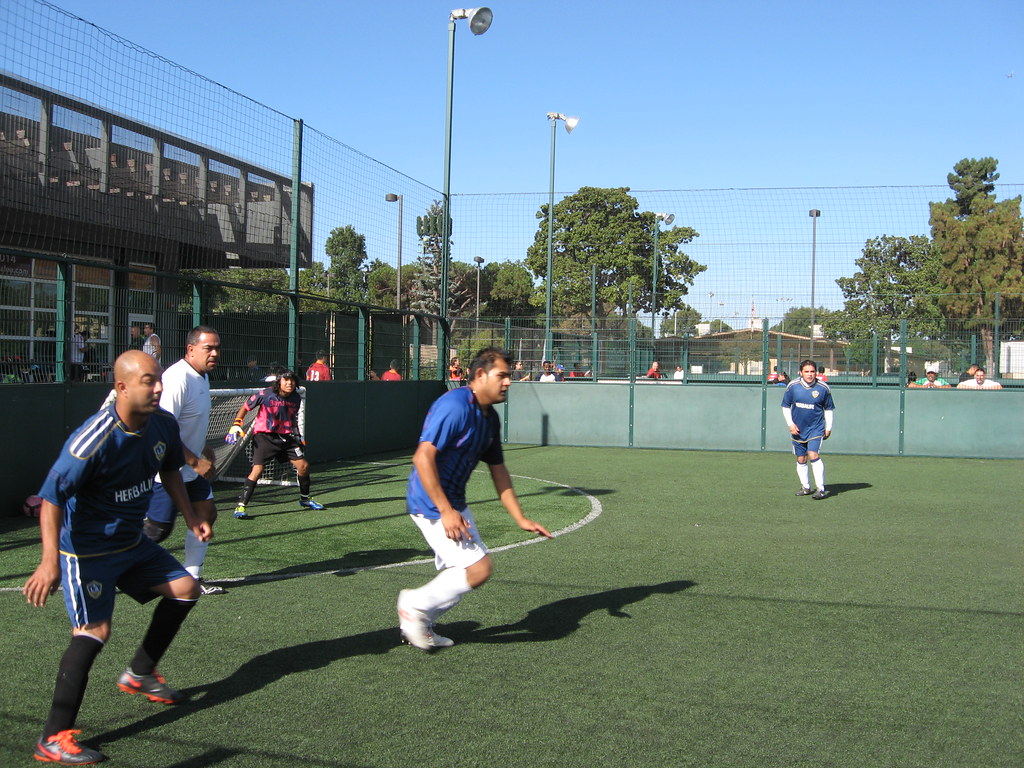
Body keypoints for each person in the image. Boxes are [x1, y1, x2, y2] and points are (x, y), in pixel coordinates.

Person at [23, 350, 212, 765]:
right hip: (86, 551)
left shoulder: (161, 423)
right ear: (122, 388)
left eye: (158, 378)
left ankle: (140, 674)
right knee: (94, 631)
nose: (159, 387)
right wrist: (49, 560)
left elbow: (170, 470)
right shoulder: (94, 438)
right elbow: (51, 499)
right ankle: (53, 737)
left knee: (186, 589)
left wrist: (191, 515)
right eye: (148, 380)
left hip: (131, 542)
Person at [396, 347, 552, 650]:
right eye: (502, 375)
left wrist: (520, 518)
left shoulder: (489, 419)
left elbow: (498, 470)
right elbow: (422, 457)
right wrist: (445, 511)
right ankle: (413, 606)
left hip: (453, 503)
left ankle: (418, 619)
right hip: (430, 503)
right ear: (480, 375)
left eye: (510, 376)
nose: (509, 382)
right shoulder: (455, 406)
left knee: (469, 571)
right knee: (478, 569)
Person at [143, 326, 225, 596]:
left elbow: (190, 422)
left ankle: (193, 577)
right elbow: (161, 430)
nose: (214, 353)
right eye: (208, 348)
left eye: (216, 348)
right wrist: (193, 460)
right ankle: (109, 565)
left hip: (189, 469)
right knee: (158, 530)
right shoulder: (177, 378)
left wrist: (204, 449)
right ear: (190, 350)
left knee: (206, 514)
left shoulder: (201, 376)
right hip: (167, 471)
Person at [227, 370, 326, 518]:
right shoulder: (265, 394)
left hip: (286, 438)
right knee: (257, 471)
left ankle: (305, 499)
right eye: (286, 380)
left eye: (292, 380)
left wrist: (298, 437)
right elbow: (245, 407)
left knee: (303, 466)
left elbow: (292, 419)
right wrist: (236, 425)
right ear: (279, 381)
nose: (289, 383)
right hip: (264, 437)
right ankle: (241, 506)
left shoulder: (296, 398)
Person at [781, 359, 835, 500]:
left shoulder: (823, 388)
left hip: (816, 428)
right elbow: (785, 406)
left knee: (813, 454)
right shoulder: (793, 386)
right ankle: (806, 487)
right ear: (800, 372)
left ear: (816, 372)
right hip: (798, 429)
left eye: (812, 371)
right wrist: (790, 424)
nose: (810, 374)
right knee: (801, 458)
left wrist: (828, 427)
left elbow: (828, 409)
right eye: (806, 371)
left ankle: (821, 489)